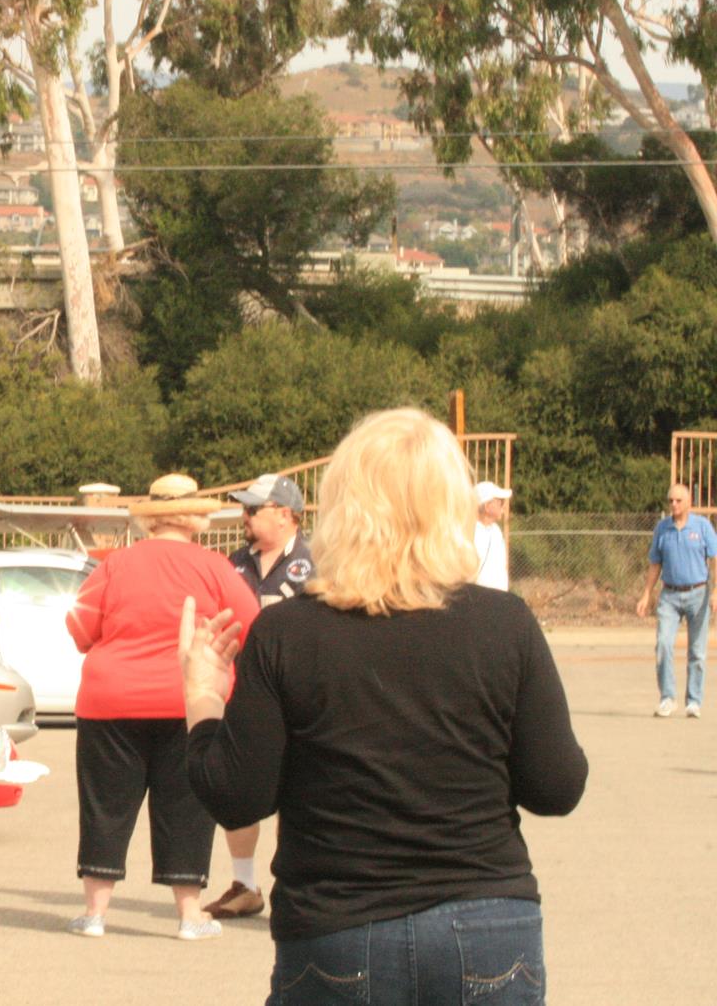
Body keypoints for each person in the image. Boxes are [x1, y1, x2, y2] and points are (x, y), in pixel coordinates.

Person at [182, 408, 588, 1006]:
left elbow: (237, 796)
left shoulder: (288, 632)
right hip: (487, 923)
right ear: (450, 506)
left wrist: (202, 699)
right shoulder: (506, 624)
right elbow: (557, 786)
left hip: (338, 928)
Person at [62, 473, 260, 941]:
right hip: (188, 700)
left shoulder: (113, 565)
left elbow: (79, 629)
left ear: (150, 518)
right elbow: (252, 626)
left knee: (105, 805)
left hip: (109, 701)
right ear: (196, 517)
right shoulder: (215, 567)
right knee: (187, 806)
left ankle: (94, 913)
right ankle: (190, 916)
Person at [205, 473, 314, 922]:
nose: (244, 516)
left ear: (285, 515)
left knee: (300, 791)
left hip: (300, 692)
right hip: (244, 690)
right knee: (242, 786)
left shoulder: (315, 565)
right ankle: (244, 884)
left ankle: (294, 881)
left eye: (253, 509)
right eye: (244, 509)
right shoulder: (233, 563)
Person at [636, 482, 717, 719]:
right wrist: (646, 594)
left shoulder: (702, 527)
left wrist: (715, 592)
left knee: (697, 652)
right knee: (663, 644)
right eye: (671, 500)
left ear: (688, 502)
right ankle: (667, 698)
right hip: (669, 595)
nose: (673, 504)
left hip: (698, 594)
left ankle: (693, 701)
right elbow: (655, 564)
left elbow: (714, 559)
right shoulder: (663, 529)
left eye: (678, 500)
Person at [473, 480, 513, 591]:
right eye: (500, 502)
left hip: (499, 598)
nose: (504, 507)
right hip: (479, 599)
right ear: (487, 506)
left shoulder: (496, 530)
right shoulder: (470, 533)